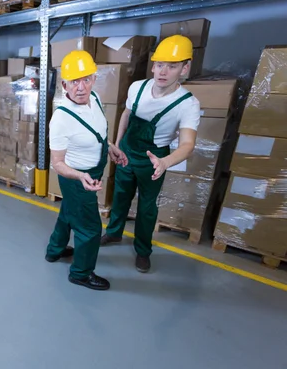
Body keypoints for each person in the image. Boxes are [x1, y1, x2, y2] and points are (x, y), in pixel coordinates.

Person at [100, 35, 201, 273]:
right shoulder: (138, 87)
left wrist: (165, 162)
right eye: (159, 64)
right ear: (153, 65)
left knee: (147, 207)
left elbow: (188, 143)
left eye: (172, 66)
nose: (163, 71)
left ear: (184, 68)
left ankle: (143, 251)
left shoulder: (187, 104)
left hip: (154, 160)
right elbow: (126, 114)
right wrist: (117, 144)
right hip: (126, 152)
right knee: (121, 195)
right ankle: (114, 233)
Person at [46, 50, 128, 291]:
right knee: (90, 227)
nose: (80, 87)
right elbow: (57, 164)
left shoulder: (96, 99)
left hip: (94, 169)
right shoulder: (60, 119)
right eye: (74, 81)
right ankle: (81, 273)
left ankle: (55, 250)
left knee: (69, 212)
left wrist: (111, 147)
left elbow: (98, 131)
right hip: (77, 178)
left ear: (94, 78)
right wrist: (81, 176)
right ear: (64, 84)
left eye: (86, 79)